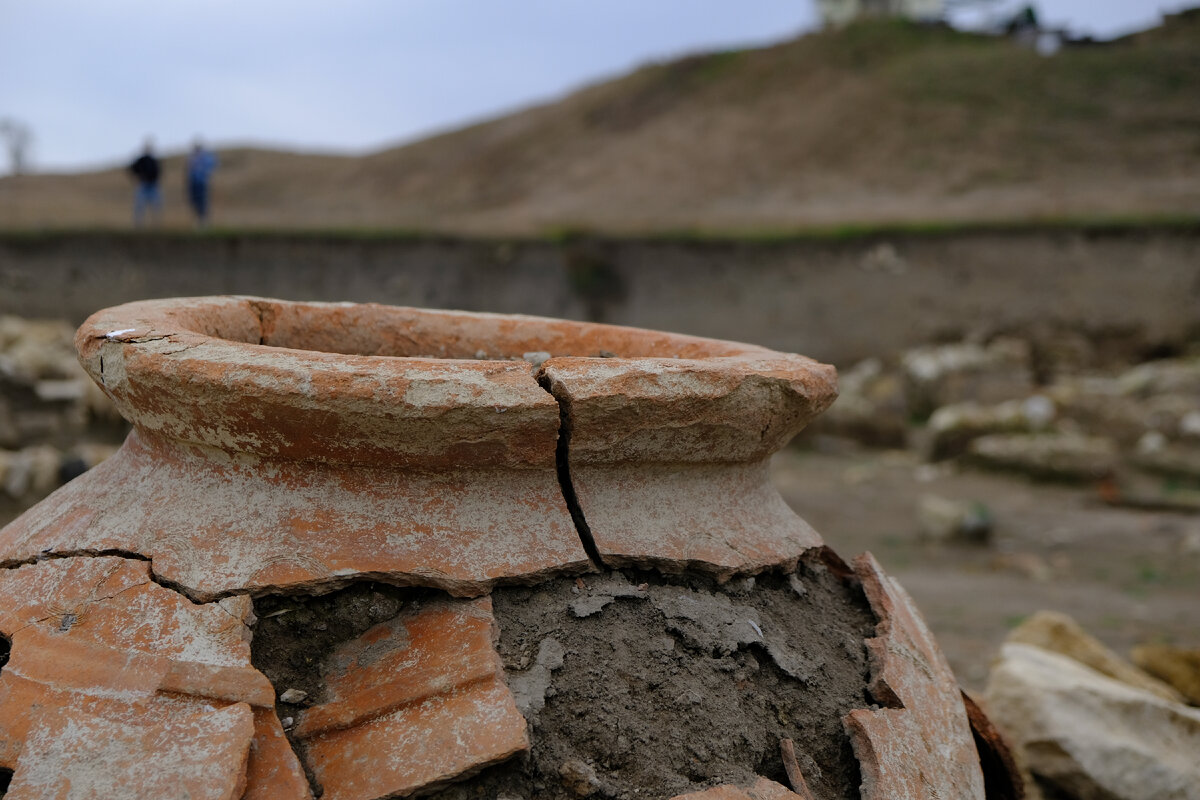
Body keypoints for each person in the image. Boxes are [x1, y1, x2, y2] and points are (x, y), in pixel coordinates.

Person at [128, 138, 162, 227]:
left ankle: (156, 224)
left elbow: (159, 172)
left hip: (153, 185)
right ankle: (138, 225)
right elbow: (132, 169)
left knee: (156, 206)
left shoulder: (154, 161)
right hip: (143, 185)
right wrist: (137, 177)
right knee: (140, 206)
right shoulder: (141, 160)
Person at [186, 139, 218, 226]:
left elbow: (213, 164)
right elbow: (189, 170)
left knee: (203, 202)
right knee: (195, 202)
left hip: (202, 183)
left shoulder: (205, 157)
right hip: (193, 183)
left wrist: (207, 173)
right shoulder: (191, 157)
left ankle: (204, 221)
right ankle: (198, 220)